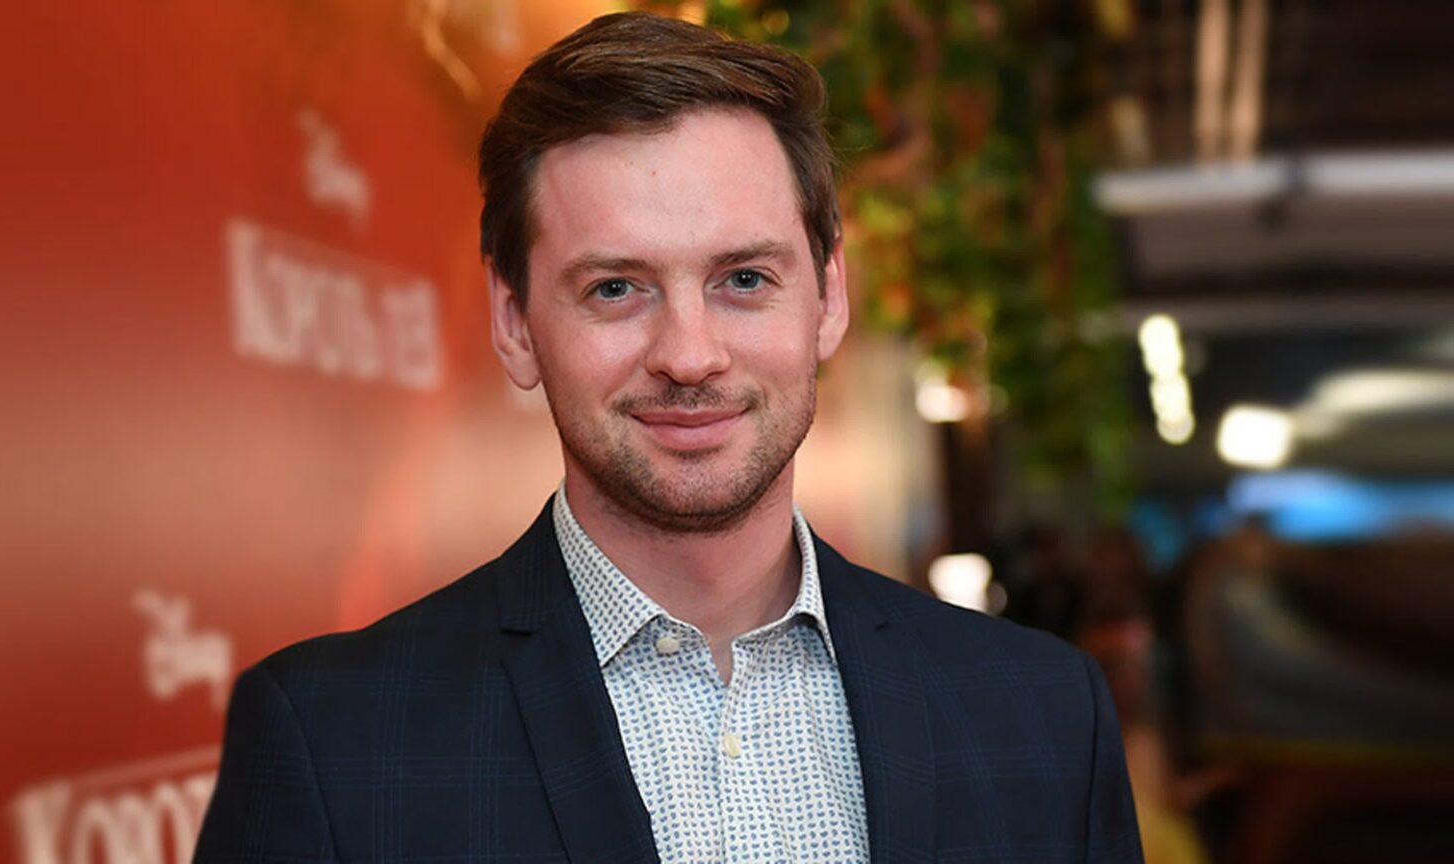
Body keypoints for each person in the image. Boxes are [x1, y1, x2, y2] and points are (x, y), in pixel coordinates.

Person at [194, 12, 1142, 863]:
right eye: (615, 288)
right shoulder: (332, 746)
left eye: (744, 280)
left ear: (828, 297)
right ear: (515, 321)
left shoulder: (1046, 718)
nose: (689, 355)